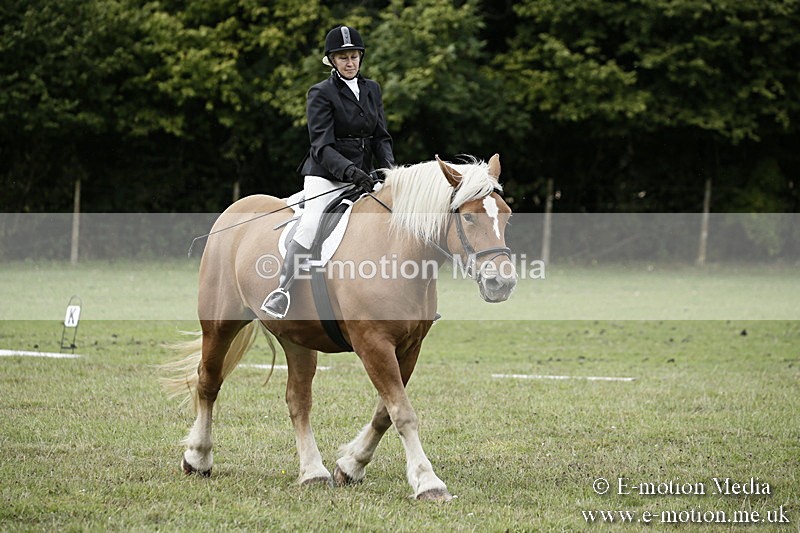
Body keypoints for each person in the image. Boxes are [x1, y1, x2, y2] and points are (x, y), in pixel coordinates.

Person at [262, 25, 395, 319]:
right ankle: (282, 291)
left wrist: (388, 171)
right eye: (343, 57)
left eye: (354, 56)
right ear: (332, 61)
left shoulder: (372, 89)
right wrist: (351, 172)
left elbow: (380, 137)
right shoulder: (321, 93)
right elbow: (322, 145)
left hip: (364, 176)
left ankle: (401, 297)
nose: (350, 63)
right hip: (326, 176)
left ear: (361, 57)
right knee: (310, 225)